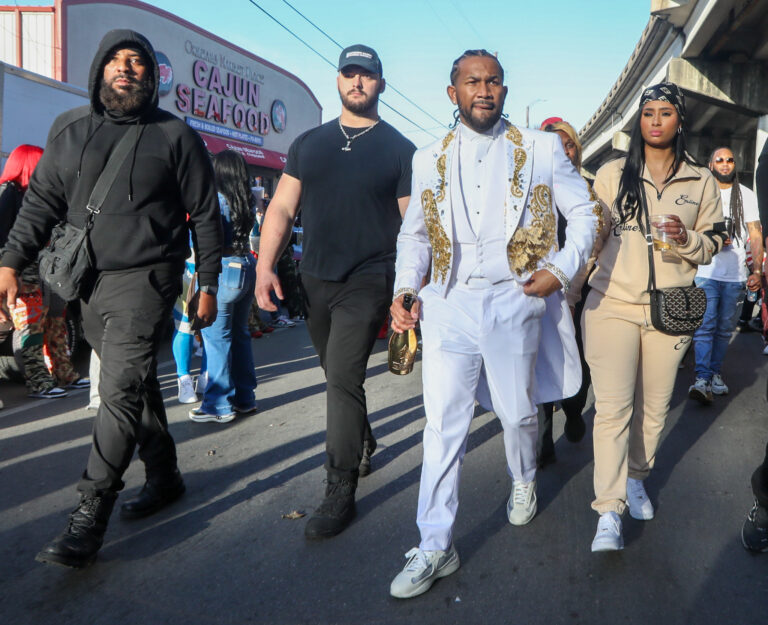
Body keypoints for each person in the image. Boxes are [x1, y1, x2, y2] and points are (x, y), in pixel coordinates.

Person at [0, 29, 222, 568]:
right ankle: (165, 475)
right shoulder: (68, 130)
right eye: (117, 60)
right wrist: (8, 261)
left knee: (118, 387)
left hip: (147, 279)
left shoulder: (175, 136)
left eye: (138, 61)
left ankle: (90, 512)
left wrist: (209, 283)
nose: (126, 68)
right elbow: (41, 203)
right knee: (136, 382)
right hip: (85, 284)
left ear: (152, 76)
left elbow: (208, 216)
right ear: (100, 69)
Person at [388, 50, 597, 598]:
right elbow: (412, 235)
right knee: (442, 426)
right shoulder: (427, 157)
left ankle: (524, 477)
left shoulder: (543, 148)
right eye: (472, 81)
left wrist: (559, 270)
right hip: (447, 301)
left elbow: (585, 215)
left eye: (494, 81)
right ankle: (436, 544)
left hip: (514, 296)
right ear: (452, 92)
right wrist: (406, 287)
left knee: (519, 413)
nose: (484, 89)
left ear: (505, 90)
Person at [256, 44, 415, 539]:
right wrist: (264, 267)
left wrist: (412, 287)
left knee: (342, 377)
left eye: (367, 75)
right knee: (334, 372)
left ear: (381, 84)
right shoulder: (309, 144)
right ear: (339, 81)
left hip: (370, 278)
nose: (358, 82)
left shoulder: (400, 149)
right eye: (350, 74)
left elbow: (414, 225)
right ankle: (362, 436)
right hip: (316, 280)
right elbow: (281, 209)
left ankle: (338, 487)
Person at [582, 82, 725, 552]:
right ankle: (608, 509)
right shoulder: (611, 174)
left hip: (672, 309)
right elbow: (592, 238)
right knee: (613, 409)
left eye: (666, 112)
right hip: (611, 306)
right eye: (648, 112)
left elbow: (713, 246)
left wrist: (686, 239)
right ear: (638, 121)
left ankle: (637, 477)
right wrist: (566, 288)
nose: (656, 120)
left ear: (679, 121)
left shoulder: (701, 181)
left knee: (655, 409)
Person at [536, 119, 593, 466]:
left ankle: (573, 408)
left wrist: (571, 293)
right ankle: (543, 439)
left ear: (575, 149)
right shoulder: (528, 193)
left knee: (578, 362)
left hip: (581, 289)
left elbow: (593, 247)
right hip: (542, 291)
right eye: (553, 145)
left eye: (567, 144)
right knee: (539, 363)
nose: (561, 151)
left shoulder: (590, 191)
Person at [689, 147, 762, 403]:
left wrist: (757, 270)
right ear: (711, 165)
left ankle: (714, 374)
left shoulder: (747, 195)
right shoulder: (702, 194)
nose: (725, 164)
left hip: (735, 275)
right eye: (719, 159)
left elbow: (754, 234)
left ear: (735, 164)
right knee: (705, 326)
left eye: (730, 159)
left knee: (723, 330)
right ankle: (702, 377)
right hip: (706, 272)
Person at [189, 149, 258, 422]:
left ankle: (218, 405)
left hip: (224, 267)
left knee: (216, 340)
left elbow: (209, 240)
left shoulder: (217, 200)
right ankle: (245, 398)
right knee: (239, 336)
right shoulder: (245, 200)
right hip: (244, 265)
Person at [0, 144, 69, 398]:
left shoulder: (31, 197)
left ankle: (62, 374)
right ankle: (39, 383)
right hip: (17, 273)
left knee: (49, 322)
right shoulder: (8, 193)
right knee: (28, 327)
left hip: (38, 269)